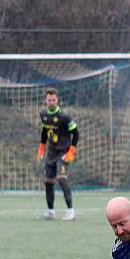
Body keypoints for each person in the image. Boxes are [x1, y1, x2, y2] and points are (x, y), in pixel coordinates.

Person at [37, 88, 78, 221]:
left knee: (61, 178)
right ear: (46, 100)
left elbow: (76, 133)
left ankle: (70, 211)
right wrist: (42, 147)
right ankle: (51, 211)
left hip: (64, 151)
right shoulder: (43, 114)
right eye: (49, 100)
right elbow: (45, 130)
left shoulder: (64, 117)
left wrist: (72, 150)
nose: (51, 102)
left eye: (54, 100)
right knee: (48, 181)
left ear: (58, 100)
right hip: (52, 152)